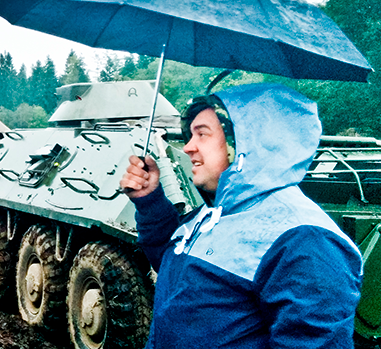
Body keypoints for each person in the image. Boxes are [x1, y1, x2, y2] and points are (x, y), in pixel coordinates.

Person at [119, 83, 363, 349]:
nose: (188, 147)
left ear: (246, 142)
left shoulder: (305, 240)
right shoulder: (213, 215)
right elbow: (173, 270)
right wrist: (149, 201)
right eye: (190, 135)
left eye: (202, 135)